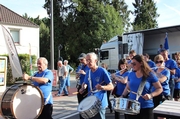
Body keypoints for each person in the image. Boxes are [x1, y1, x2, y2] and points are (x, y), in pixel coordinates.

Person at [121, 55, 162, 119]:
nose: (132, 65)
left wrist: (151, 95)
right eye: (132, 63)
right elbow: (128, 87)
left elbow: (159, 88)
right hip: (132, 107)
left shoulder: (150, 75)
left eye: (134, 64)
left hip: (146, 107)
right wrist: (122, 96)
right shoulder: (131, 74)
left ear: (141, 63)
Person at [79, 52, 114, 119]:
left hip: (100, 104)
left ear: (95, 61)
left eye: (90, 60)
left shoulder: (102, 71)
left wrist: (102, 87)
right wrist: (83, 88)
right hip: (90, 103)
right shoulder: (88, 72)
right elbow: (85, 83)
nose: (88, 62)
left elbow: (111, 86)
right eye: (87, 60)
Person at [153, 54, 170, 119]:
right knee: (156, 114)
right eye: (157, 62)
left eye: (160, 62)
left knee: (163, 115)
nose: (159, 63)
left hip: (164, 94)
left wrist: (154, 74)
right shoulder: (154, 70)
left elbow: (161, 80)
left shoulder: (166, 71)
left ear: (163, 62)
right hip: (155, 93)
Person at [76, 53, 90, 119]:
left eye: (82, 60)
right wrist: (78, 75)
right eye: (80, 60)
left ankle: (86, 116)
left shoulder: (88, 66)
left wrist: (84, 73)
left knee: (86, 104)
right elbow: (77, 76)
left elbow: (89, 75)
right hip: (80, 85)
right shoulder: (80, 66)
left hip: (86, 87)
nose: (81, 61)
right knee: (80, 103)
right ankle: (82, 116)